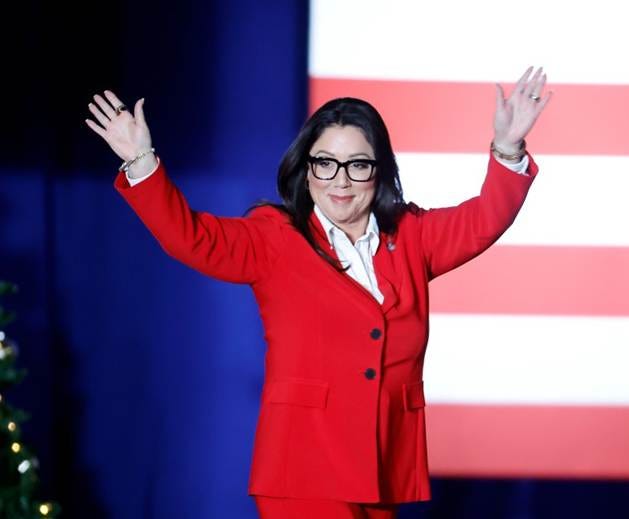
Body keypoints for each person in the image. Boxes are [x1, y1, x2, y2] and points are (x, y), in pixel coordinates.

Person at [85, 66, 551, 519]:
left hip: (380, 463)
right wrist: (141, 163)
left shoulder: (410, 235)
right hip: (303, 467)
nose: (340, 180)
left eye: (357, 165)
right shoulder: (275, 238)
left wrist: (507, 148)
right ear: (306, 169)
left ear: (380, 170)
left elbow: (483, 220)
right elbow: (191, 238)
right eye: (325, 163)